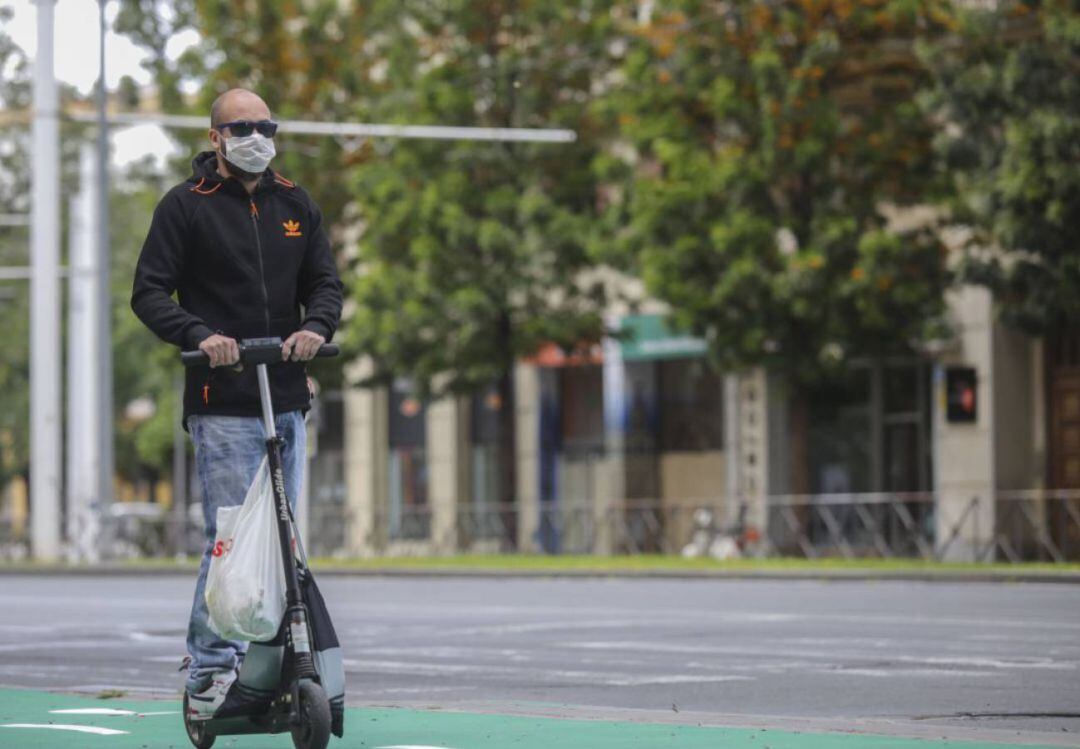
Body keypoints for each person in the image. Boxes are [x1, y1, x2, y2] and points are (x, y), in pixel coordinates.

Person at [131, 88, 343, 714]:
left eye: (265, 125)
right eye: (242, 126)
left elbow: (324, 282)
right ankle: (209, 667)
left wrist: (317, 329)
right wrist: (201, 336)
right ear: (217, 136)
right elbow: (149, 294)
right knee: (230, 537)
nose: (257, 135)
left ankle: (279, 661)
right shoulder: (184, 207)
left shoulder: (294, 202)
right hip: (220, 398)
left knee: (282, 537)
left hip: (283, 392)